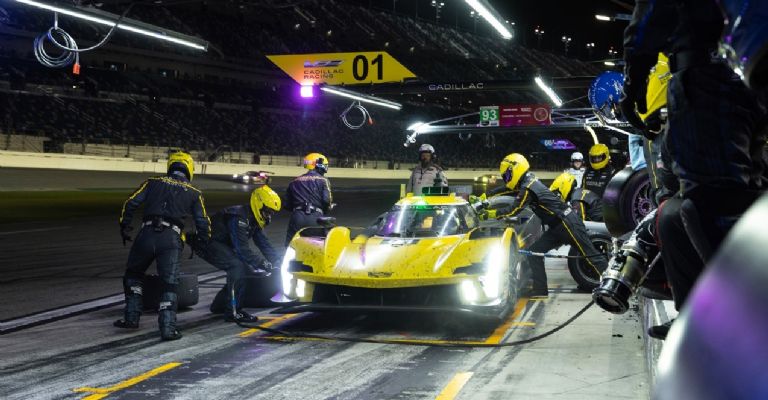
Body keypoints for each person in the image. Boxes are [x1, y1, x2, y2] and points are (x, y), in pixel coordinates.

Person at [621, 0, 768, 339]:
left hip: (710, 75)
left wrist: (634, 78)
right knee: (676, 213)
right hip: (747, 71)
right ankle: (697, 320)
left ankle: (742, 325)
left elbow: (651, 15)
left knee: (710, 201)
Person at [115, 151, 211, 341]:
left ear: (171, 166)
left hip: (146, 233)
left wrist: (125, 225)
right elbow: (203, 222)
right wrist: (202, 240)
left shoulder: (152, 182)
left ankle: (131, 318)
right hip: (171, 239)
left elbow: (130, 203)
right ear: (189, 169)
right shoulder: (194, 193)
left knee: (133, 275)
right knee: (169, 284)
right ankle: (168, 329)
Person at [483, 153, 609, 297]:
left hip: (567, 222)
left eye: (507, 175)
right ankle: (540, 290)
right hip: (558, 226)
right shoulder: (528, 181)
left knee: (591, 255)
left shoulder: (528, 187)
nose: (506, 179)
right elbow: (509, 189)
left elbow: (514, 209)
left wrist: (490, 214)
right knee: (534, 253)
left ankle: (614, 287)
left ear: (514, 170)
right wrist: (488, 195)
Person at [190, 185, 282, 322]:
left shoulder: (253, 220)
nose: (268, 216)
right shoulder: (238, 217)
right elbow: (242, 250)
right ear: (259, 204)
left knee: (245, 269)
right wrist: (265, 264)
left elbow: (265, 245)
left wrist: (279, 262)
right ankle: (232, 312)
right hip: (208, 243)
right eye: (267, 211)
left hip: (219, 244)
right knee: (237, 267)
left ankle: (220, 305)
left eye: (271, 213)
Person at [285, 152, 333, 246]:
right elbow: (327, 201)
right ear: (317, 164)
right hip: (315, 218)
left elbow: (286, 205)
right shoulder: (323, 180)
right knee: (316, 248)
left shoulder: (294, 181)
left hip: (296, 217)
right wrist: (326, 209)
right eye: (324, 165)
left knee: (290, 247)